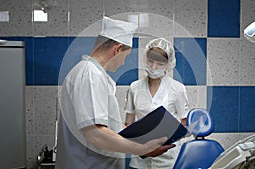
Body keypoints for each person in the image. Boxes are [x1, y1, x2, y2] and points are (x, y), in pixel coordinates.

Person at [55, 16, 175, 169]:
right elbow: (96, 135)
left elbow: (107, 128)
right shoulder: (90, 75)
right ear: (117, 49)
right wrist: (143, 149)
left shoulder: (90, 73)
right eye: (126, 56)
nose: (124, 62)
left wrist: (143, 136)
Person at [124, 38, 190, 169]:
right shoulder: (134, 87)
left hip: (168, 159)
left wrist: (169, 140)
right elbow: (128, 123)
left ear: (168, 64)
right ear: (145, 59)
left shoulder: (177, 89)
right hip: (140, 158)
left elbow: (184, 123)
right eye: (151, 61)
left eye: (160, 64)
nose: (154, 67)